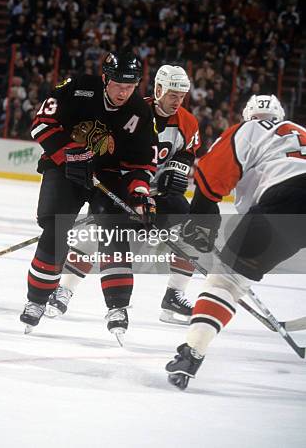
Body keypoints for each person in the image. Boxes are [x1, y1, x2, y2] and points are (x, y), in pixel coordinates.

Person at [165, 94, 306, 390]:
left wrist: (202, 214)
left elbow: (213, 171)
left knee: (226, 281)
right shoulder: (298, 134)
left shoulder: (250, 128)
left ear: (247, 114)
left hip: (286, 202)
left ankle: (192, 353)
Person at [46, 65, 201, 325]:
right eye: (173, 94)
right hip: (126, 188)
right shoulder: (134, 110)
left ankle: (175, 294)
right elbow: (110, 152)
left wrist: (177, 170)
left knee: (195, 228)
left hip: (156, 193)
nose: (177, 101)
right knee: (98, 233)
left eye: (182, 95)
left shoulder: (188, 122)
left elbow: (186, 153)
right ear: (159, 89)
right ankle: (64, 289)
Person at [20, 52, 157, 337]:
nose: (124, 92)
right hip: (65, 167)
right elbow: (41, 124)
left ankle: (118, 306)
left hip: (106, 175)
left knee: (114, 231)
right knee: (55, 228)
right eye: (118, 84)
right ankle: (36, 301)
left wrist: (140, 193)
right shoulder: (77, 87)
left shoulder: (141, 113)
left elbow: (142, 163)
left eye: (130, 86)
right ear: (105, 78)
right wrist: (70, 155)